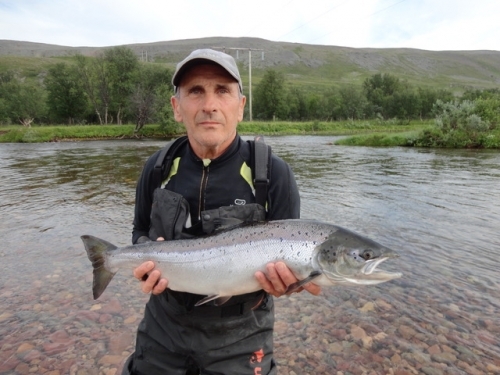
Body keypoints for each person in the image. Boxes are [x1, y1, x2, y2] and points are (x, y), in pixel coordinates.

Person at [123, 49, 320, 375]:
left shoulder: (273, 174)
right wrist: (145, 266)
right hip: (163, 324)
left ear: (240, 106)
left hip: (243, 331)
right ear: (177, 108)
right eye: (195, 91)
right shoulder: (157, 169)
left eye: (223, 90)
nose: (209, 105)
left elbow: (291, 259)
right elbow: (138, 233)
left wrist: (290, 284)